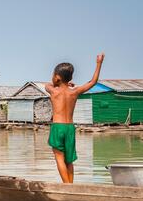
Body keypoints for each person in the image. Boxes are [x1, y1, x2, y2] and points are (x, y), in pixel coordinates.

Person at [45, 53, 105, 183]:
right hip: (70, 128)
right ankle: (71, 186)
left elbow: (47, 85)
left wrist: (58, 82)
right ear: (70, 77)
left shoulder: (53, 90)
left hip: (58, 127)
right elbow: (93, 82)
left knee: (59, 158)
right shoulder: (75, 91)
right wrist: (99, 63)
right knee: (69, 160)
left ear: (56, 77)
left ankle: (67, 187)